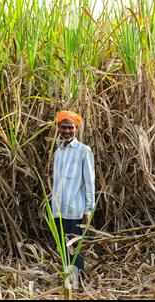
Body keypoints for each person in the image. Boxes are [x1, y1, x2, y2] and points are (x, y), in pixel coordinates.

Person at [51, 110, 95, 288]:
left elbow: (90, 181)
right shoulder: (58, 153)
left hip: (75, 209)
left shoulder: (84, 151)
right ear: (58, 128)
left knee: (74, 248)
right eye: (63, 127)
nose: (67, 131)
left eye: (70, 127)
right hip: (58, 209)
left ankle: (78, 284)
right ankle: (68, 281)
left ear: (76, 128)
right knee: (62, 247)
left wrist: (88, 209)